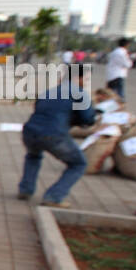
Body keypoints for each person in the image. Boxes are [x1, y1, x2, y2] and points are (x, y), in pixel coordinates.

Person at [17, 66, 96, 207]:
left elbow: (39, 108)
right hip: (54, 134)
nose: (87, 82)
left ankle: (25, 189)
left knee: (33, 156)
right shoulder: (79, 93)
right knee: (79, 164)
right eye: (86, 78)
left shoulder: (50, 91)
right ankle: (54, 197)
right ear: (79, 78)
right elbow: (87, 119)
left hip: (30, 131)